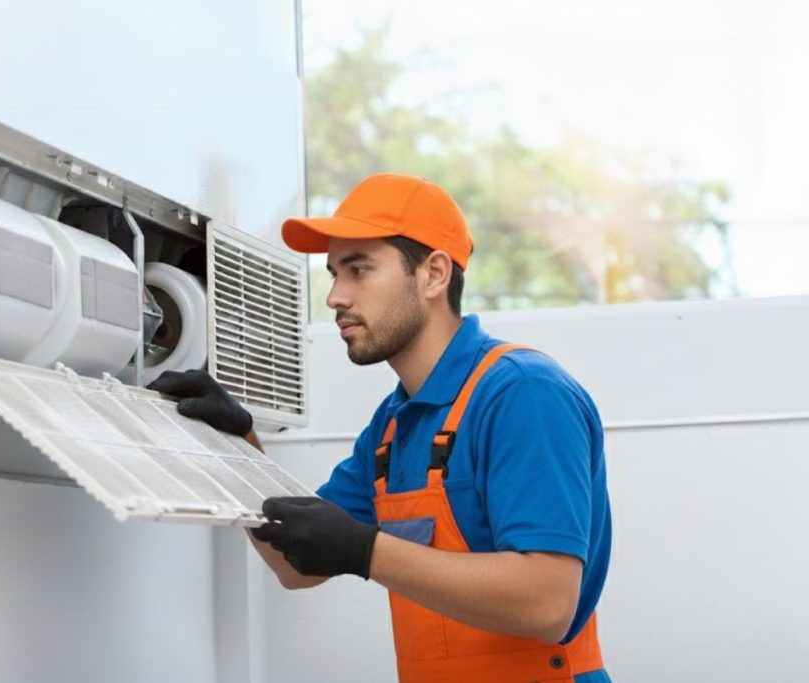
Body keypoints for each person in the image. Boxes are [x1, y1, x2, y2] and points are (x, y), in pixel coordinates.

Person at [148, 173, 613, 683]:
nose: (335, 297)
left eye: (359, 269)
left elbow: (547, 603)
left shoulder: (522, 393)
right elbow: (297, 565)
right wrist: (239, 448)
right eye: (333, 274)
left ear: (434, 274)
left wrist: (366, 550)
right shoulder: (393, 425)